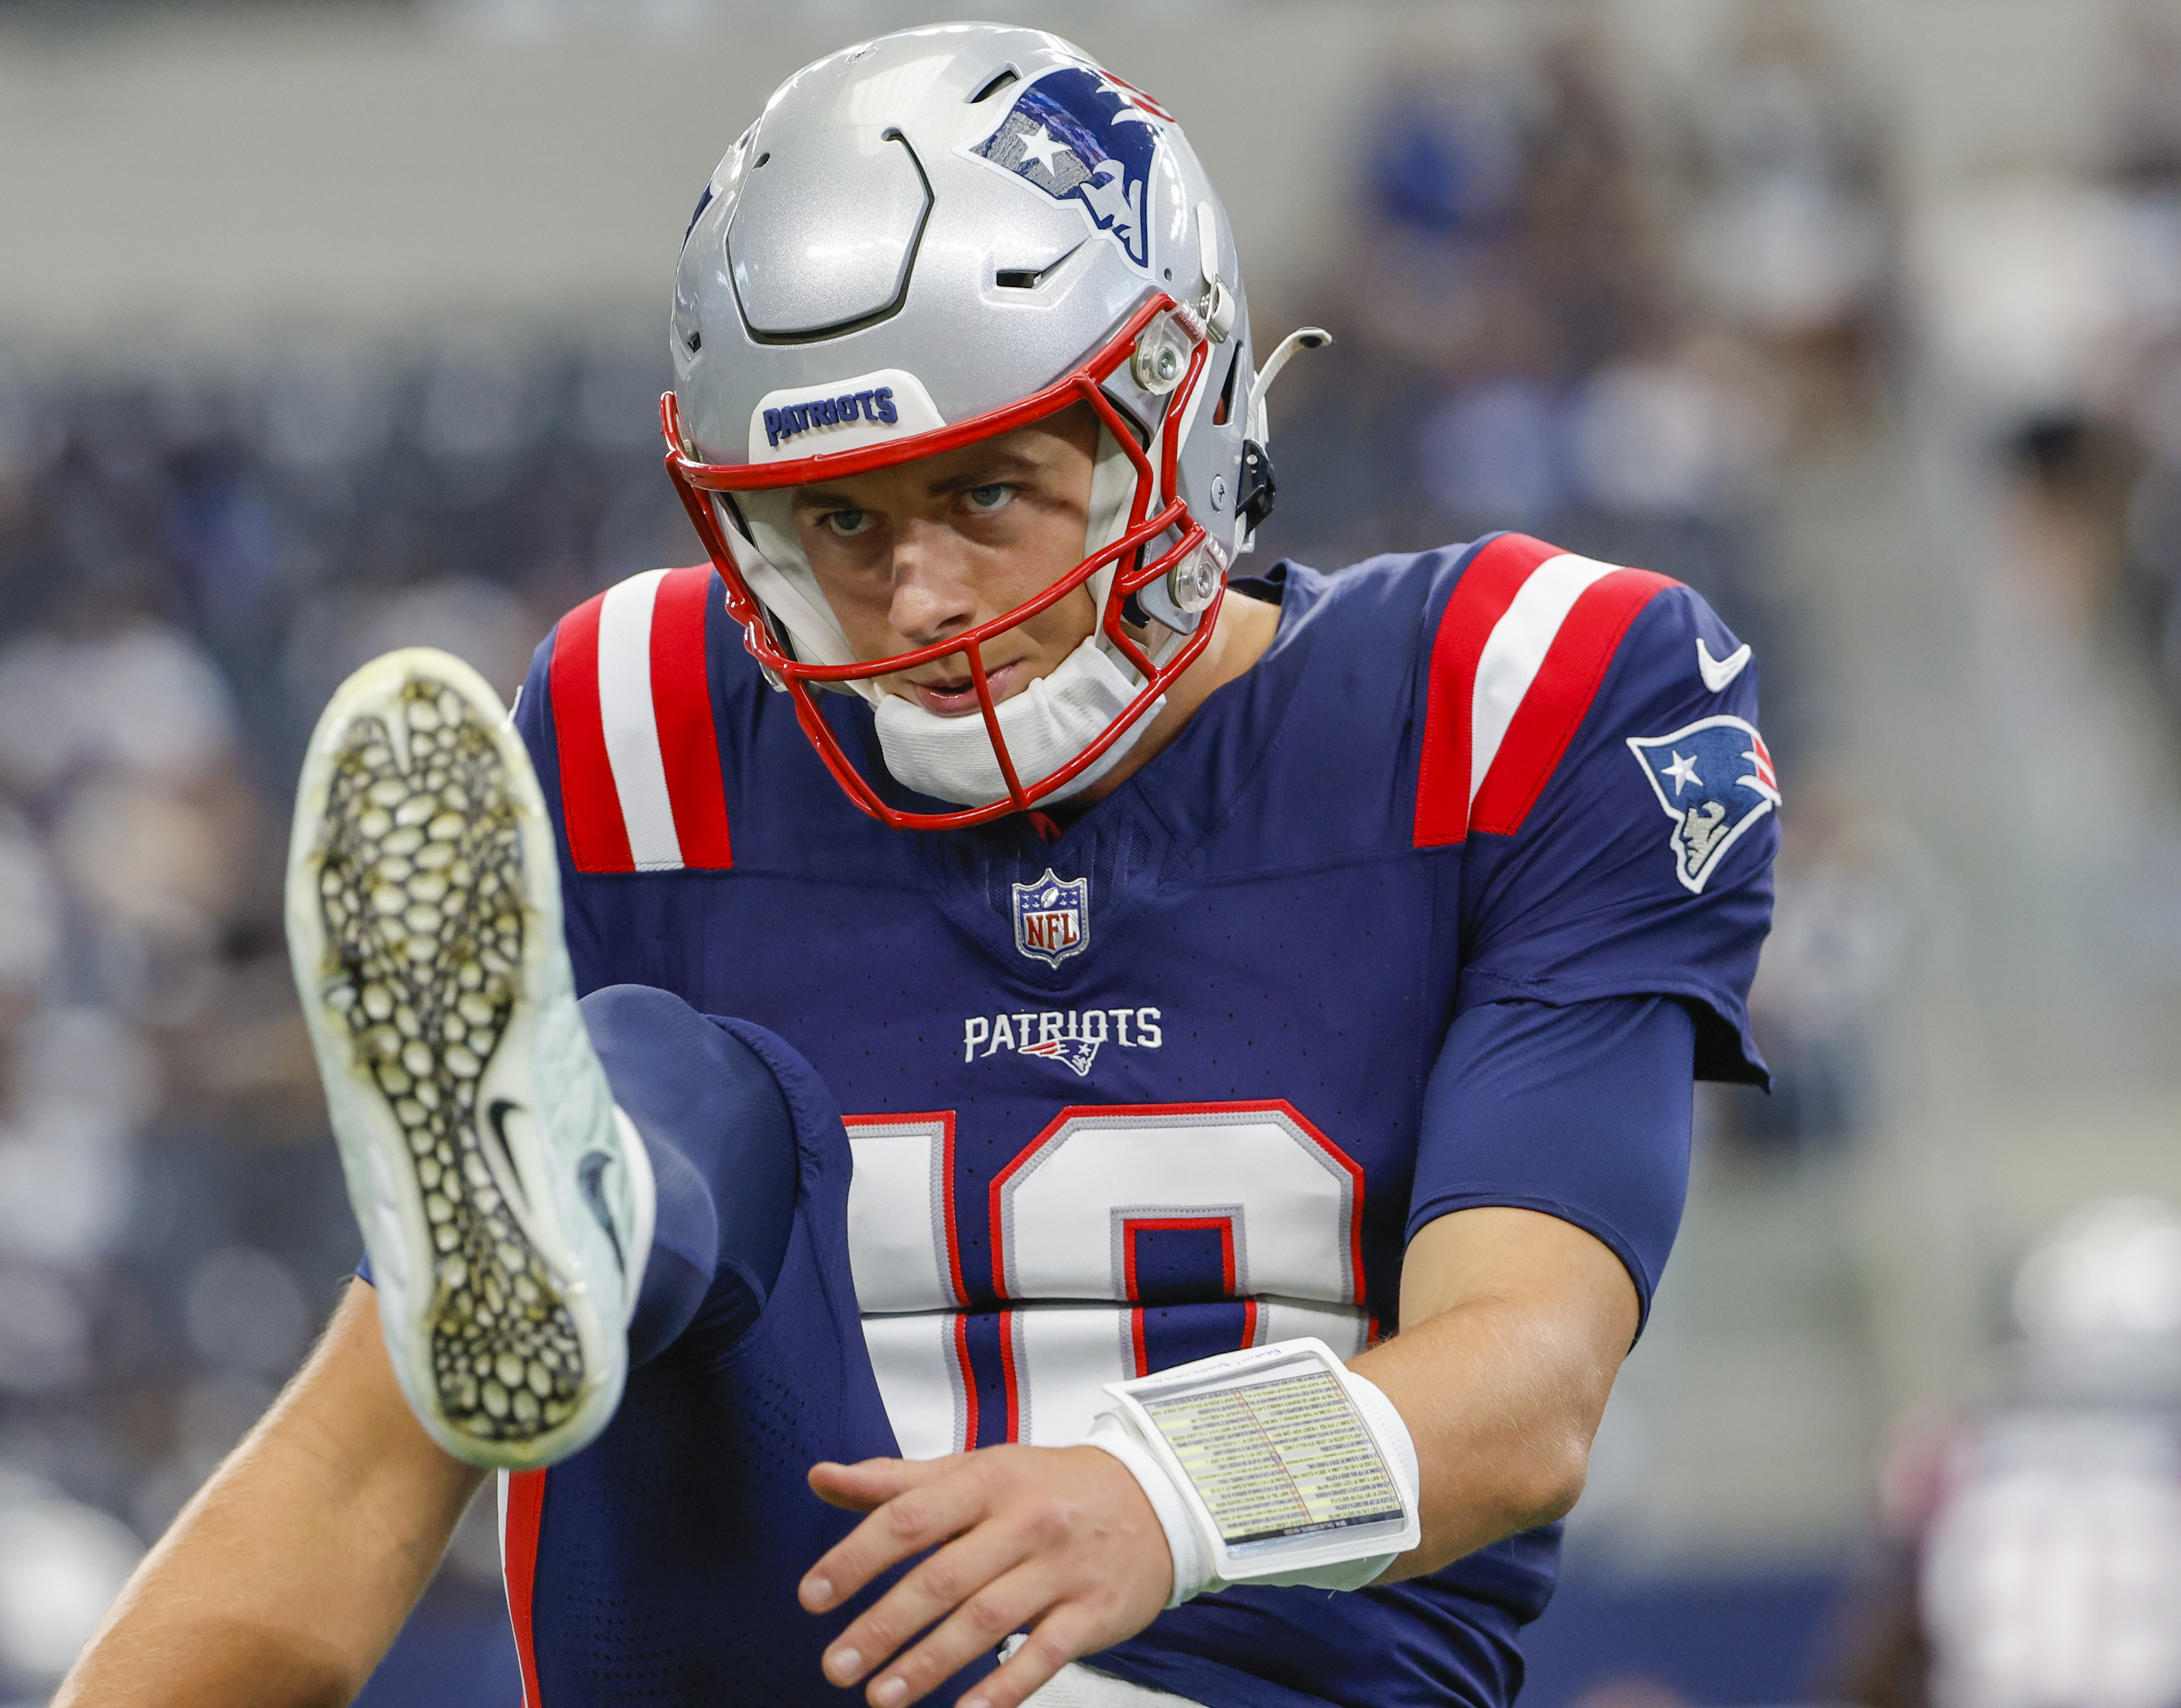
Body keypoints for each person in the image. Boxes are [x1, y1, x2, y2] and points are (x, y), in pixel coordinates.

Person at [58, 23, 1776, 1708]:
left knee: (663, 1084)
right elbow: (362, 1472)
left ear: (1170, 422)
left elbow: (1531, 1382)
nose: (924, 600)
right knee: (678, 1091)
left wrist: (1150, 1491)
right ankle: (585, 1214)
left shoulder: (1517, 695)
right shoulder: (645, 728)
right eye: (849, 521)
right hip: (790, 1651)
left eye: (989, 492)